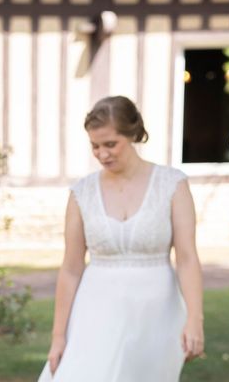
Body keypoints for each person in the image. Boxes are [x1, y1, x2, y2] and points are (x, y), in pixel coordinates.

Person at [38, 95, 204, 382]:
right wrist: (58, 336)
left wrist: (194, 319)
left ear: (133, 135)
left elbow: (187, 258)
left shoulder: (172, 184)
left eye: (110, 144)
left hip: (157, 314)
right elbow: (71, 267)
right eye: (95, 146)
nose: (102, 154)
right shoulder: (82, 193)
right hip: (95, 312)